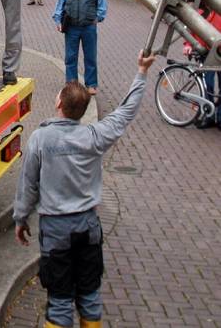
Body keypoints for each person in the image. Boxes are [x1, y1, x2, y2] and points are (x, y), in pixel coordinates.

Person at [14, 51, 157, 328]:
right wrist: (141, 72)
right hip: (89, 226)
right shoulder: (94, 136)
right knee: (90, 296)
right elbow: (126, 111)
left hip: (56, 230)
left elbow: (28, 184)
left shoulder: (40, 139)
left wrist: (21, 218)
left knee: (59, 300)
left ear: (58, 103)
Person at [52, 0, 107, 95]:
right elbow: (59, 5)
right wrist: (58, 21)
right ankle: (71, 83)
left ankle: (91, 85)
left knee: (90, 57)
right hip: (71, 27)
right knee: (70, 57)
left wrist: (97, 18)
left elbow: (102, 6)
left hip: (89, 27)